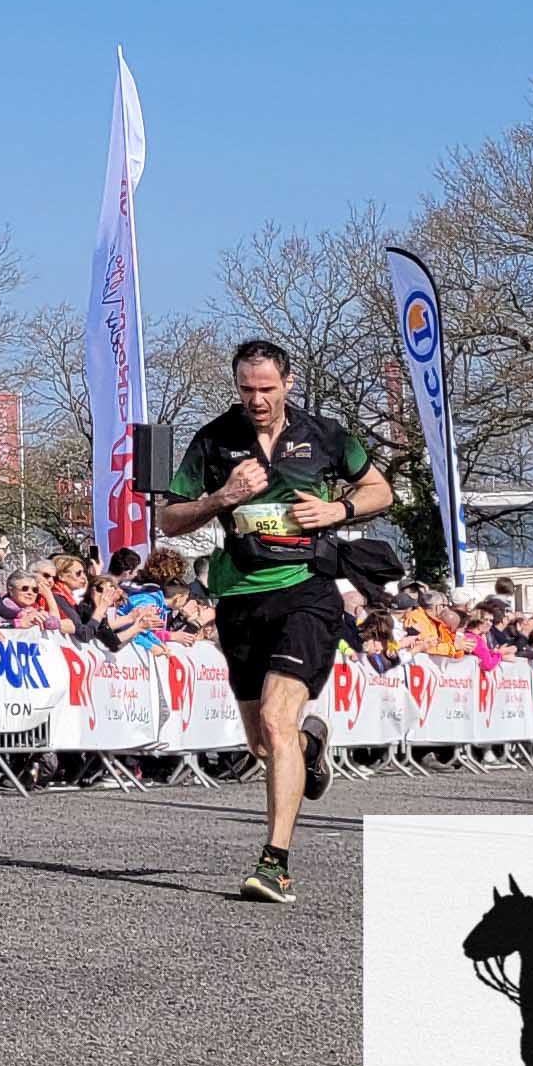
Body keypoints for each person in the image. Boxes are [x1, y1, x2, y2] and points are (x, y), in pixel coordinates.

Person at [151, 337, 391, 904]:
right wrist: (221, 497)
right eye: (246, 389)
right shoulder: (214, 439)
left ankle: (274, 862)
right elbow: (169, 518)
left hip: (306, 592)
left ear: (287, 384)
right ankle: (310, 749)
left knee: (279, 724)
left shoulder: (326, 435)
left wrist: (339, 508)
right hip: (239, 598)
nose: (256, 399)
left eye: (266, 389)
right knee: (263, 743)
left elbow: (380, 488)